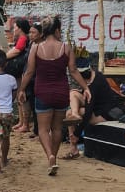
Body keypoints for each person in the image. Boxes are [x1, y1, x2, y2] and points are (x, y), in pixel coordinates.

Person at [19, 15, 91, 176]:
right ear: (58, 30)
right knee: (57, 128)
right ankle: (55, 157)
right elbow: (73, 71)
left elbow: (29, 72)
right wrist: (85, 87)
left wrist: (21, 89)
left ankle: (50, 156)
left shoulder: (36, 48)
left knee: (43, 130)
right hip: (61, 92)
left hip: (42, 92)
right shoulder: (66, 48)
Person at [62, 57, 123, 158]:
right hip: (94, 108)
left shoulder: (95, 83)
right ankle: (75, 115)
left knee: (68, 114)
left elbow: (88, 112)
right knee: (73, 93)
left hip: (103, 114)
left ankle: (73, 148)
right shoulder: (90, 80)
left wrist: (76, 134)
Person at [0, 50, 18, 175]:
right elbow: (14, 94)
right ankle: (4, 160)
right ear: (6, 64)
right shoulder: (11, 79)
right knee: (5, 137)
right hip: (7, 112)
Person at [6, 18, 33, 134]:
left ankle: (25, 123)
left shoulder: (23, 38)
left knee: (22, 97)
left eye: (15, 27)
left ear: (20, 28)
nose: (14, 29)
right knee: (19, 97)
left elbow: (17, 51)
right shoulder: (23, 38)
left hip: (22, 71)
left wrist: (4, 57)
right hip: (19, 71)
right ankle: (22, 122)